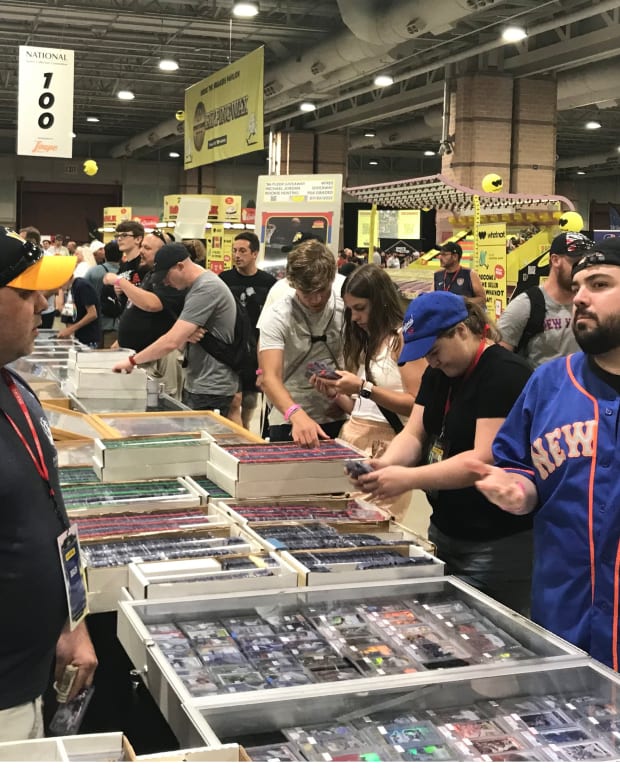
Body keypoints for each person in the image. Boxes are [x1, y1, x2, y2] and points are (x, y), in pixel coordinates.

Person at [470, 238, 620, 669]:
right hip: (561, 613)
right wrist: (518, 489)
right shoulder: (548, 383)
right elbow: (519, 467)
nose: (581, 298)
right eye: (578, 287)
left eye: (600, 284)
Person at [355, 291, 533, 613]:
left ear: (462, 330)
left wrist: (407, 478)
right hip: (445, 531)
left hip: (495, 544)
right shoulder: (438, 374)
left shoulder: (505, 374)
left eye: (435, 351)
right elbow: (415, 432)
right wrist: (383, 465)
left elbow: (481, 460)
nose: (432, 361)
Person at [0, 227, 97, 742]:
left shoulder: (16, 387)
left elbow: (50, 511)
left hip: (32, 677)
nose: (43, 304)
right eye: (25, 293)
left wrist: (71, 620)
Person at [313, 264, 424, 517]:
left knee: (371, 526)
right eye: (350, 310)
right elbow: (364, 408)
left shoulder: (401, 340)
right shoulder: (369, 342)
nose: (355, 318)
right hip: (353, 441)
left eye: (360, 309)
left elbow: (419, 404)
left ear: (380, 301)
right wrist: (336, 392)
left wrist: (364, 388)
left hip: (386, 448)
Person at [112, 242, 238, 415]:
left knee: (202, 438)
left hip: (211, 385)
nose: (166, 282)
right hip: (199, 379)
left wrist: (132, 361)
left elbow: (171, 341)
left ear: (180, 266)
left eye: (167, 276)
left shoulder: (206, 288)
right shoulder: (196, 287)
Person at [259, 239, 346, 447]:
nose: (315, 300)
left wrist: (349, 401)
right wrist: (295, 413)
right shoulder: (278, 315)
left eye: (322, 291)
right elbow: (269, 377)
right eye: (306, 293)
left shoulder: (347, 307)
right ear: (292, 284)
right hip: (289, 415)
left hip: (341, 413)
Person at [105, 230, 186, 398]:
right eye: (142, 246)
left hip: (159, 358)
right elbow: (138, 309)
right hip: (141, 356)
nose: (141, 251)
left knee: (165, 406)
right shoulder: (151, 274)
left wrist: (120, 282)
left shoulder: (171, 279)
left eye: (147, 248)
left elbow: (152, 304)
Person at [498, 231, 594, 369]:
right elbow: (498, 360)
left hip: (582, 387)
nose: (582, 268)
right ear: (555, 260)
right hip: (541, 388)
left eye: (586, 262)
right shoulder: (526, 305)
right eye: (576, 262)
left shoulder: (589, 302)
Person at [218, 231, 276, 428]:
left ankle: (246, 429)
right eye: (234, 250)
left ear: (254, 254)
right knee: (233, 398)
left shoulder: (268, 283)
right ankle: (236, 435)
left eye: (242, 251)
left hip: (256, 346)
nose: (237, 255)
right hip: (230, 346)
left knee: (251, 399)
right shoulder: (223, 279)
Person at [84, 240, 122, 348]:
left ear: (105, 253)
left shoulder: (92, 272)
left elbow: (83, 293)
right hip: (117, 324)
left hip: (96, 323)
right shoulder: (125, 272)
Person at [57, 268, 101, 348]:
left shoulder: (82, 286)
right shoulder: (72, 289)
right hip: (79, 338)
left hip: (89, 338)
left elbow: (92, 314)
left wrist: (71, 329)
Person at [433, 241, 486, 307]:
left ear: (455, 256)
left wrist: (462, 301)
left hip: (464, 316)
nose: (440, 257)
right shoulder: (438, 275)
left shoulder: (470, 274)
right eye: (440, 254)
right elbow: (431, 297)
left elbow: (482, 299)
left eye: (444, 255)